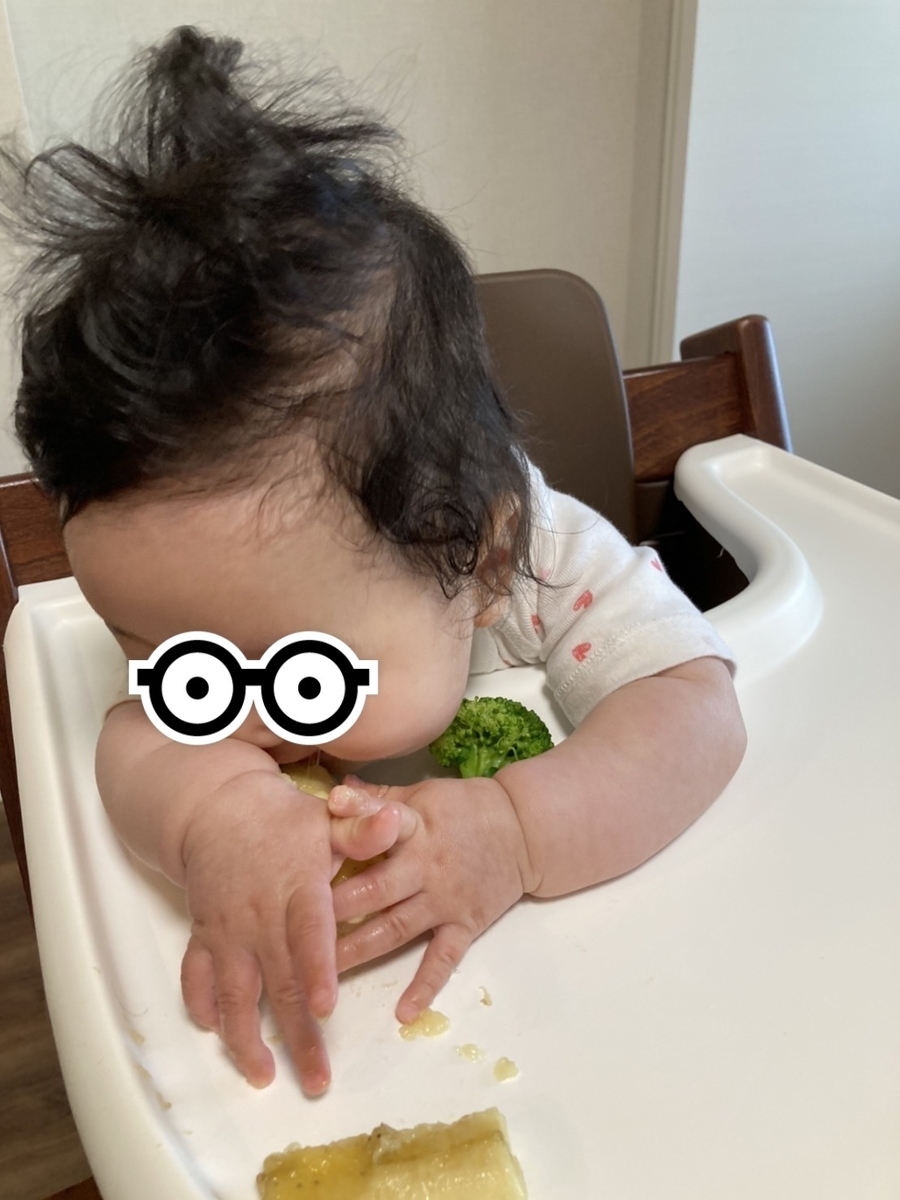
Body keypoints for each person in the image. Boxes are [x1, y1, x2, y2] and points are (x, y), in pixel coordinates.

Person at [3, 27, 746, 1096]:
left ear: (480, 563)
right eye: (164, 656)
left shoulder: (547, 565)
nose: (228, 711)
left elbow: (696, 708)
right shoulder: (210, 613)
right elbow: (134, 740)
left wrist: (520, 831)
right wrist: (214, 813)